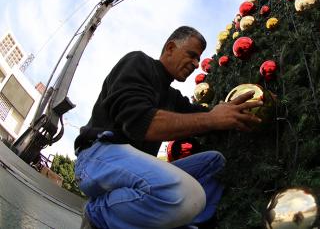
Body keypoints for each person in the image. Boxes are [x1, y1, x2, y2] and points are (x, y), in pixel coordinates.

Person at [74, 26, 263, 229]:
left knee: (214, 163)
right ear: (170, 48)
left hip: (134, 171)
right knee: (188, 195)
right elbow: (143, 123)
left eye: (199, 59)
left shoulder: (173, 97)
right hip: (96, 157)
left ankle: (182, 225)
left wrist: (238, 111)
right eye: (192, 55)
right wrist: (212, 119)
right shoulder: (138, 63)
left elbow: (206, 119)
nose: (196, 64)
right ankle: (98, 212)